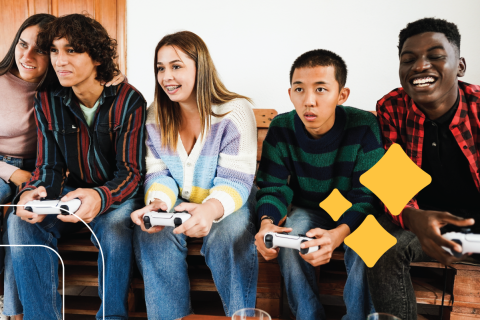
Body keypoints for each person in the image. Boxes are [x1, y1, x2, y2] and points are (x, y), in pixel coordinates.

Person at [8, 13, 145, 320]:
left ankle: (111, 316)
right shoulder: (48, 98)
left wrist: (99, 197)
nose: (59, 60)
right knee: (20, 220)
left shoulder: (129, 100)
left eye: (71, 50)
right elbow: (49, 167)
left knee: (114, 227)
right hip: (73, 191)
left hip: (116, 194)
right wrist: (33, 192)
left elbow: (131, 173)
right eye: (54, 51)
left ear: (97, 57)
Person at [130, 30, 258, 319]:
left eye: (176, 66)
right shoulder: (154, 116)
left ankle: (243, 315)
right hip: (179, 200)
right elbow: (158, 173)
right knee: (153, 233)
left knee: (228, 234)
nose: (166, 77)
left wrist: (210, 210)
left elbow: (235, 181)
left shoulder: (234, 113)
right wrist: (158, 204)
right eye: (160, 68)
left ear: (200, 68)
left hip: (228, 200)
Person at [254, 49, 384, 320]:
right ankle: (308, 316)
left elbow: (368, 196)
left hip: (354, 211)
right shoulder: (281, 128)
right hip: (308, 208)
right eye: (299, 89)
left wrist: (338, 235)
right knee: (292, 241)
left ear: (342, 95)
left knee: (369, 245)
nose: (309, 101)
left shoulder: (363, 125)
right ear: (290, 93)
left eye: (321, 89)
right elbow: (272, 186)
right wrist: (267, 222)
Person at [367, 17, 480, 320]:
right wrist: (413, 217)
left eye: (436, 56)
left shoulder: (478, 107)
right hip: (423, 222)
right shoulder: (391, 108)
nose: (420, 66)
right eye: (409, 59)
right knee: (377, 243)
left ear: (460, 66)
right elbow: (390, 182)